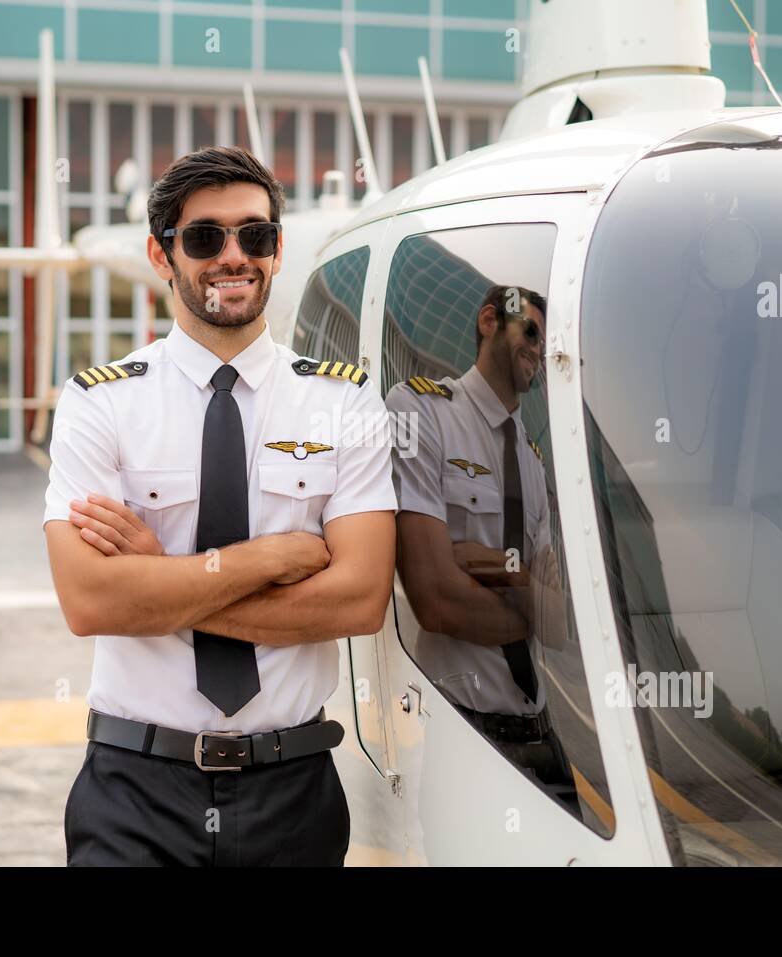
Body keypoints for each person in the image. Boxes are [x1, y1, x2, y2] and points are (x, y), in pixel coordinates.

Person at [42, 146, 397, 866]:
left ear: (276, 249)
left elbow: (358, 601)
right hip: (134, 791)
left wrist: (160, 576)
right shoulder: (100, 401)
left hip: (293, 790)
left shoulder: (345, 400)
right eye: (205, 237)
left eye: (255, 235)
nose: (233, 256)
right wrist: (268, 559)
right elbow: (89, 600)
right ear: (161, 254)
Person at [385, 283, 569, 784]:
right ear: (489, 321)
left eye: (546, 342)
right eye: (528, 330)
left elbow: (558, 628)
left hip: (541, 736)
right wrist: (532, 597)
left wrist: (512, 579)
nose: (537, 348)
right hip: (465, 733)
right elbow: (437, 600)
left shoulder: (532, 463)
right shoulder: (421, 411)